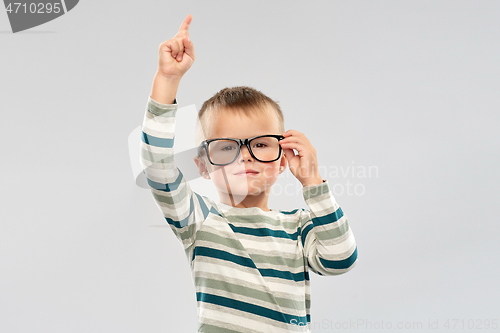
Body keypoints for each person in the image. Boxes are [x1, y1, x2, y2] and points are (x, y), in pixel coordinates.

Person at [140, 14, 358, 333]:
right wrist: (167, 80)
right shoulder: (200, 220)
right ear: (203, 165)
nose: (244, 156)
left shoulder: (299, 227)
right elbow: (158, 168)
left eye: (261, 144)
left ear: (282, 161)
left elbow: (340, 259)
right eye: (226, 147)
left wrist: (313, 181)